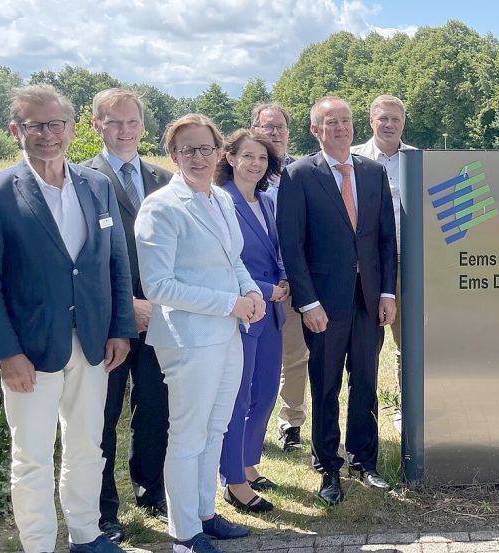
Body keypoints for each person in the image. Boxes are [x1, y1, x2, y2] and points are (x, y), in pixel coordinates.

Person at [0, 84, 134, 553]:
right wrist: (7, 353)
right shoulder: (1, 192)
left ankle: (86, 534)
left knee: (87, 445)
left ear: (72, 129)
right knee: (32, 456)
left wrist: (120, 328)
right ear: (16, 130)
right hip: (31, 351)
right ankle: (39, 545)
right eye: (35, 124)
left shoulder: (95, 186)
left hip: (94, 342)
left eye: (56, 123)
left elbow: (116, 264)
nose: (47, 134)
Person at [135, 114, 266, 553]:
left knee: (215, 428)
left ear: (218, 153)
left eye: (206, 148)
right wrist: (231, 302)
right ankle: (183, 532)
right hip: (189, 339)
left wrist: (249, 289)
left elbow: (232, 261)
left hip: (227, 334)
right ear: (172, 155)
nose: (198, 157)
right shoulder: (161, 207)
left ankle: (206, 515)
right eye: (187, 149)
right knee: (188, 436)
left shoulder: (220, 200)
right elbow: (158, 286)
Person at [277, 96, 397, 505]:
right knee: (325, 386)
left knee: (365, 382)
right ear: (316, 130)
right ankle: (328, 467)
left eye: (345, 120)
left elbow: (385, 239)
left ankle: (364, 460)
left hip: (368, 301)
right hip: (324, 306)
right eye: (331, 122)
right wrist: (308, 303)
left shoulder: (373, 172)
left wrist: (387, 292)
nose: (341, 128)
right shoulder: (298, 176)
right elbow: (292, 247)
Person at [82, 87, 173, 543]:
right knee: (102, 414)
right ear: (96, 125)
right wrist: (125, 305)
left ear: (143, 125)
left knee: (155, 408)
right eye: (113, 122)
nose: (124, 130)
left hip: (161, 316)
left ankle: (151, 490)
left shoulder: (163, 178)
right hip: (109, 320)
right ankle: (103, 510)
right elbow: (79, 258)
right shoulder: (82, 179)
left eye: (132, 121)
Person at [216, 129, 287, 514]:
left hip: (272, 312)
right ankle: (233, 482)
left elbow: (276, 250)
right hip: (244, 313)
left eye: (262, 158)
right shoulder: (221, 201)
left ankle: (248, 463)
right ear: (230, 158)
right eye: (248, 156)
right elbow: (224, 261)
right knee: (238, 397)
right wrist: (264, 287)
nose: (255, 163)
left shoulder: (265, 201)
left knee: (263, 395)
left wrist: (283, 278)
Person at [250, 102, 306, 453]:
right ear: (254, 129)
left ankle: (291, 423)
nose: (274, 133)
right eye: (267, 127)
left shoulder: (302, 173)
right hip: (255, 284)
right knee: (254, 356)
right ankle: (250, 423)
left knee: (294, 356)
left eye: (280, 128)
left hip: (295, 280)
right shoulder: (243, 173)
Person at [351, 94, 416, 397]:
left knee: (410, 344)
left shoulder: (420, 160)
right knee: (363, 349)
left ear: (404, 122)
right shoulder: (350, 159)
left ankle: (408, 411)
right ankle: (365, 413)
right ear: (371, 121)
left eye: (396, 119)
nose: (389, 124)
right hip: (363, 268)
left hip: (409, 265)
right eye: (383, 118)